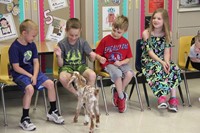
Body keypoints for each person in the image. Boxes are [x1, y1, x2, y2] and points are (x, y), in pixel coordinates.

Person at [8, 19, 64, 131]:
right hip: (20, 74)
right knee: (29, 89)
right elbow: (16, 67)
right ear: (24, 33)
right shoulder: (14, 47)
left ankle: (52, 111)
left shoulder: (32, 45)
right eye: (33, 36)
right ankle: (24, 118)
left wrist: (34, 75)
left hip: (33, 72)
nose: (34, 38)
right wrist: (30, 76)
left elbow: (36, 62)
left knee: (50, 84)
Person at [141, 8, 182, 112]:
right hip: (149, 60)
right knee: (158, 67)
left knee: (174, 68)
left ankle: (173, 99)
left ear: (165, 21)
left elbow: (167, 52)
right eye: (154, 18)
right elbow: (150, 52)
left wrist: (166, 62)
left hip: (163, 59)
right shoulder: (146, 33)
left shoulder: (168, 34)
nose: (155, 20)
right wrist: (162, 62)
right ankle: (162, 97)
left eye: (159, 18)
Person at [95, 15, 134, 113]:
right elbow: (97, 54)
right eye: (113, 30)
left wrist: (121, 62)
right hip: (109, 64)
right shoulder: (105, 40)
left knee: (130, 73)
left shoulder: (125, 42)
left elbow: (128, 58)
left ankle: (117, 90)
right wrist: (100, 58)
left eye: (119, 32)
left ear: (125, 31)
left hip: (121, 63)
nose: (115, 33)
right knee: (118, 74)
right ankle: (121, 97)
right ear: (112, 26)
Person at [54, 18, 96, 98]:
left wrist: (92, 56)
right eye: (71, 35)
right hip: (67, 67)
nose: (73, 38)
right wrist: (59, 56)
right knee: (62, 78)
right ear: (66, 31)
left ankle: (86, 96)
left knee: (92, 75)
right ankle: (78, 94)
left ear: (80, 31)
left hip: (80, 66)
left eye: (76, 35)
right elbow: (60, 65)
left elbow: (91, 60)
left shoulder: (83, 42)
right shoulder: (62, 44)